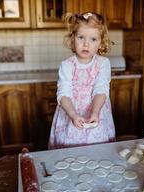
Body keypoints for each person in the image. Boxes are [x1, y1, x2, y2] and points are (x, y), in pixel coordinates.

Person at [49, 12, 115, 149]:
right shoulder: (67, 65)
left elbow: (101, 89)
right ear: (73, 39)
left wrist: (95, 112)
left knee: (97, 152)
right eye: (81, 37)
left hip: (96, 115)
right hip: (70, 114)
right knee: (69, 154)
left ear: (101, 42)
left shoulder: (103, 64)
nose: (86, 44)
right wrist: (73, 115)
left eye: (93, 39)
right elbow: (63, 93)